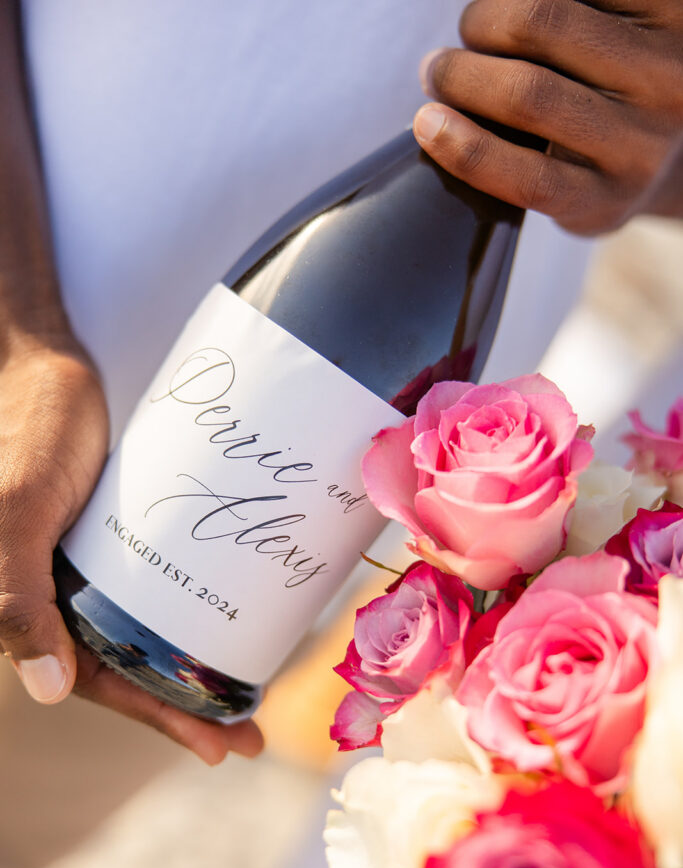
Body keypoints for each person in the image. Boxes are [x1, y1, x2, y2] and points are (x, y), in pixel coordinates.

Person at [1, 0, 681, 768]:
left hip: (262, 594)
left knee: (31, 825)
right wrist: (17, 338)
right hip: (22, 356)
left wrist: (656, 152)